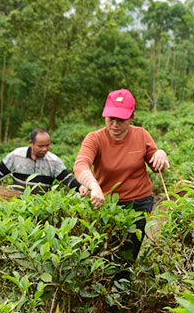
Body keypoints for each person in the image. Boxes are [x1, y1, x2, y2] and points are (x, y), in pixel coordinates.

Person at [73, 89, 170, 262]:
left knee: (128, 254)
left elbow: (157, 167)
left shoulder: (141, 134)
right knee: (106, 253)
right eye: (111, 119)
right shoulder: (95, 139)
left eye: (121, 119)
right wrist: (93, 185)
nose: (115, 125)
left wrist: (160, 154)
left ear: (132, 118)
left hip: (140, 203)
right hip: (107, 203)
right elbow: (81, 164)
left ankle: (124, 285)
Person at [0, 128, 87, 195]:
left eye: (48, 145)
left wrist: (80, 187)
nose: (45, 149)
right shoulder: (16, 155)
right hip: (16, 203)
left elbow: (67, 179)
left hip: (40, 207)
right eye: (41, 146)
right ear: (31, 143)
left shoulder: (54, 161)